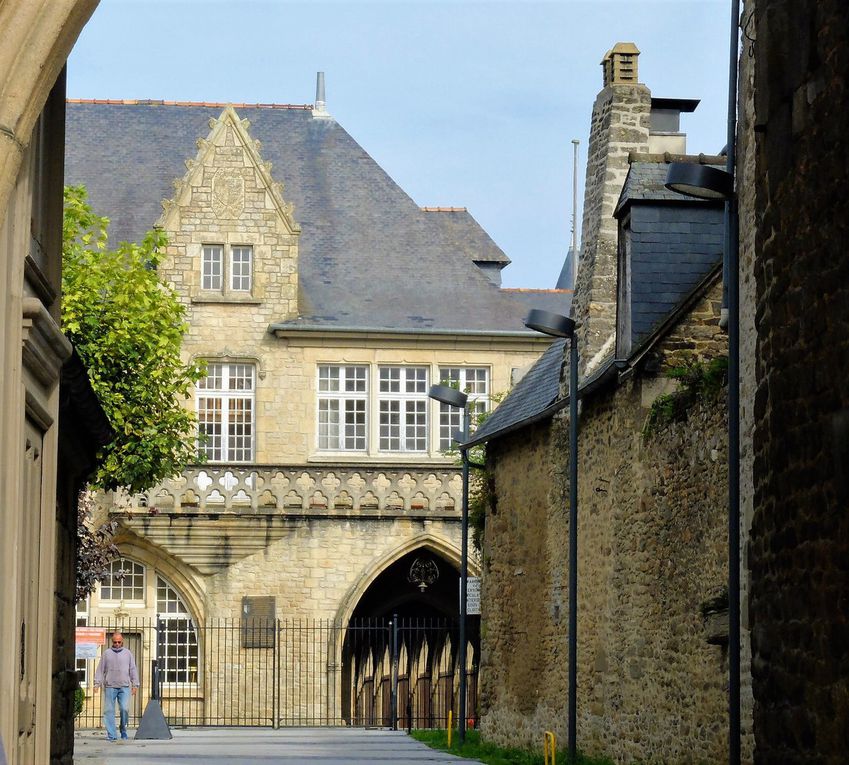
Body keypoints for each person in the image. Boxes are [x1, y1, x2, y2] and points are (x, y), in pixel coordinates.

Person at [94, 632, 140, 741]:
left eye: (119, 642)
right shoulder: (106, 653)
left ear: (122, 641)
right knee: (109, 711)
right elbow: (100, 669)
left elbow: (133, 669)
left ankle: (123, 729)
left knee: (124, 708)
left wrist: (135, 685)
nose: (117, 644)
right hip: (110, 686)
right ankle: (112, 735)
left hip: (124, 686)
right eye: (115, 642)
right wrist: (97, 683)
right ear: (112, 642)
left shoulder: (128, 653)